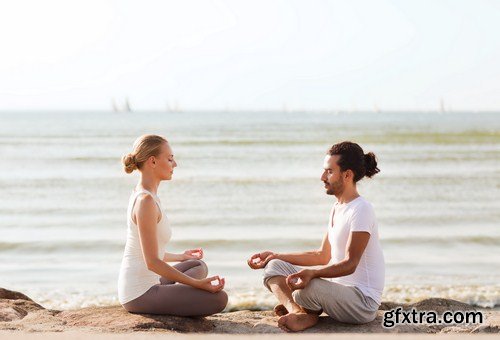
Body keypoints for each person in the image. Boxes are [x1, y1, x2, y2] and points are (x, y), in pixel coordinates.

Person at [248, 141, 384, 332]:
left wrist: (313, 273)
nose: (322, 177)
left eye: (329, 171)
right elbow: (321, 255)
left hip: (362, 302)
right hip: (337, 293)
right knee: (274, 267)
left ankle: (306, 310)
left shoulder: (362, 209)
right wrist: (276, 255)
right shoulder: (337, 208)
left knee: (307, 287)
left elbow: (351, 263)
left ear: (347, 175)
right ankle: (298, 312)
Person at [118, 134, 228, 316]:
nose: (174, 165)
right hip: (139, 294)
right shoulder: (145, 201)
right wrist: (197, 284)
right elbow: (152, 262)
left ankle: (176, 296)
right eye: (170, 159)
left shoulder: (146, 195)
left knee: (197, 265)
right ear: (152, 162)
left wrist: (181, 257)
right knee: (220, 299)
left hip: (152, 282)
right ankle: (175, 297)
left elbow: (147, 251)